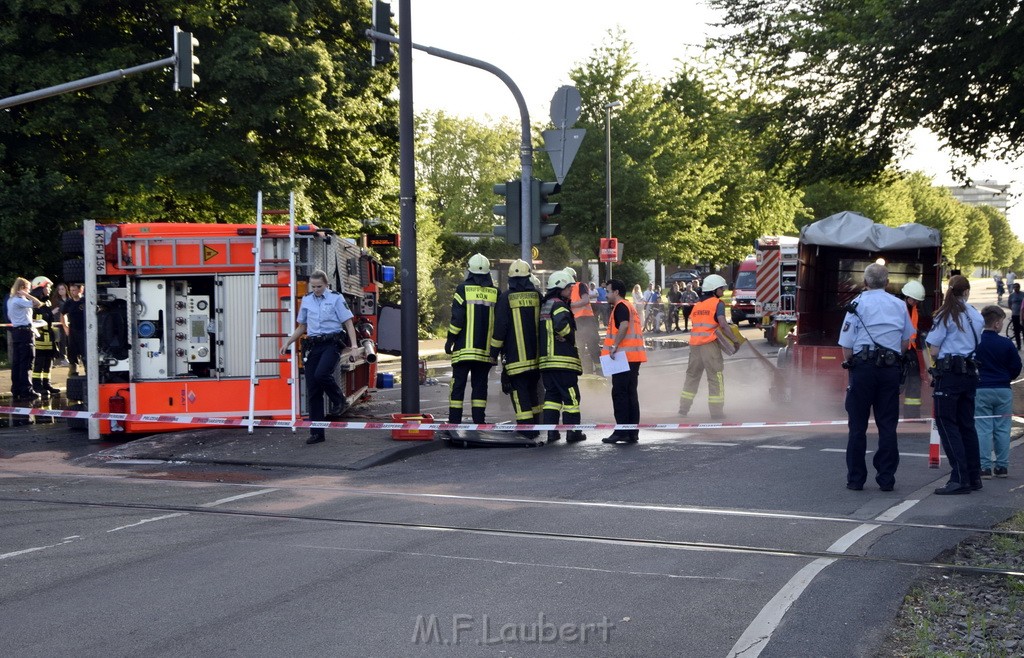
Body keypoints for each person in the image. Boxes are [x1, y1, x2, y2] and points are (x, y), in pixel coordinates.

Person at [838, 263, 913, 492]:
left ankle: (856, 479)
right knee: (887, 426)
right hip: (889, 370)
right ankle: (886, 479)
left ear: (865, 282)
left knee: (858, 427)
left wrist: (853, 368)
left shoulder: (857, 304)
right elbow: (905, 341)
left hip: (864, 370)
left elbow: (847, 344)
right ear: (887, 282)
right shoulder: (900, 305)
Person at [280, 269, 358, 445]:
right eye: (313, 286)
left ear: (326, 284)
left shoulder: (336, 298)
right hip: (314, 345)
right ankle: (317, 433)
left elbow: (348, 323)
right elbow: (302, 326)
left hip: (332, 343)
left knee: (321, 374)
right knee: (313, 390)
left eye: (319, 286)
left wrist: (353, 346)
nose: (316, 289)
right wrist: (288, 342)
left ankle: (340, 400)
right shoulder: (307, 300)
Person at [926, 274, 986, 495]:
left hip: (950, 374)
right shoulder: (975, 315)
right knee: (966, 425)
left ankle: (959, 478)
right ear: (967, 292)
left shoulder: (945, 314)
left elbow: (933, 348)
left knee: (947, 424)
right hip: (969, 373)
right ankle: (973, 477)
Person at [444, 253, 498, 426]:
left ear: (470, 271)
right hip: (484, 352)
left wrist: (450, 339)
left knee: (458, 386)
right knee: (480, 387)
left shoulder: (462, 289)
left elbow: (457, 319)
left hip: (463, 351)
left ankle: (454, 423)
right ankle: (479, 423)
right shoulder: (495, 292)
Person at [490, 259, 541, 439]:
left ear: (510, 278)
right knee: (533, 392)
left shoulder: (505, 298)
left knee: (519, 394)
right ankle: (536, 425)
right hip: (536, 358)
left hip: (515, 358)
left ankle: (526, 428)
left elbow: (500, 329)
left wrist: (493, 354)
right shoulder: (537, 295)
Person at [538, 271, 586, 444]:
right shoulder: (558, 305)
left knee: (552, 398)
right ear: (560, 288)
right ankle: (573, 433)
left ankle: (552, 433)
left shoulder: (545, 304)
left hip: (547, 361)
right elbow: (560, 325)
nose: (571, 290)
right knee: (571, 397)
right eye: (569, 287)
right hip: (562, 360)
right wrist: (569, 336)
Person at [974, 305, 1021, 479]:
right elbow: (1016, 366)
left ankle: (984, 467)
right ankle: (1002, 467)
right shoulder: (1006, 343)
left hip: (981, 389)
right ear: (996, 323)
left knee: (983, 429)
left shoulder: (976, 342)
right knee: (1002, 429)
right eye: (1002, 321)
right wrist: (1007, 377)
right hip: (1003, 389)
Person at [678, 274, 733, 419]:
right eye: (721, 288)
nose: (723, 291)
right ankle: (716, 412)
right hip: (709, 345)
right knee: (715, 377)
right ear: (715, 289)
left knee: (692, 377)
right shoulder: (717, 303)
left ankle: (683, 409)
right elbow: (722, 323)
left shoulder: (697, 305)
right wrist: (735, 340)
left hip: (695, 346)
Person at [601, 279, 646, 444]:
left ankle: (621, 431)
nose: (606, 294)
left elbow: (624, 326)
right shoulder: (628, 306)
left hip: (623, 357)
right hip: (632, 357)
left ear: (616, 292)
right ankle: (631, 432)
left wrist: (614, 346)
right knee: (630, 394)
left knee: (619, 394)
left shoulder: (620, 307)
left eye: (608, 291)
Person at [6, 277, 43, 402]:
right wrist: (27, 295)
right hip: (25, 333)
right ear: (22, 289)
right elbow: (38, 304)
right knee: (27, 361)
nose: (29, 291)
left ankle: (16, 388)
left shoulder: (11, 300)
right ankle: (26, 389)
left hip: (17, 331)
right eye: (27, 289)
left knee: (17, 362)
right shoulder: (20, 300)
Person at [29, 276, 61, 398]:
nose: (49, 289)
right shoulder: (34, 303)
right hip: (39, 338)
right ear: (40, 288)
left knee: (48, 363)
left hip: (49, 338)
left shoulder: (46, 302)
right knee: (39, 363)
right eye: (47, 287)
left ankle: (46, 384)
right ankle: (37, 385)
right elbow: (36, 321)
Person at [566, 268, 601, 375]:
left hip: (586, 320)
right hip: (576, 322)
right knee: (579, 349)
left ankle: (600, 373)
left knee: (593, 347)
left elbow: (586, 300)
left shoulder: (580, 285)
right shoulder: (566, 290)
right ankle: (586, 373)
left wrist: (570, 305)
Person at [900, 280, 927, 419]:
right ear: (907, 296)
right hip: (900, 349)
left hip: (910, 350)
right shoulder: (899, 308)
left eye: (917, 301)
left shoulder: (913, 309)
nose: (916, 303)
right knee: (897, 381)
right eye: (914, 300)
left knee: (915, 381)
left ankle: (912, 415)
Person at [61, 283, 86, 376]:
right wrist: (65, 326)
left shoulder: (85, 301)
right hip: (73, 330)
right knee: (72, 351)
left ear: (81, 290)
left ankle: (88, 369)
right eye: (71, 290)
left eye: (74, 290)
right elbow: (62, 314)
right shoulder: (69, 303)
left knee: (85, 351)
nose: (72, 292)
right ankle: (73, 370)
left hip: (84, 330)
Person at [51, 282, 71, 366]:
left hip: (70, 323)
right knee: (61, 341)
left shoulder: (70, 299)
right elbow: (53, 312)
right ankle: (62, 358)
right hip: (59, 323)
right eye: (59, 289)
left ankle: (71, 357)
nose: (61, 291)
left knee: (69, 341)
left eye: (62, 289)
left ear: (66, 290)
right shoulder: (56, 300)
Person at [1007, 282, 1024, 350]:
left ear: (1019, 287)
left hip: (1022, 315)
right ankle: (1018, 345)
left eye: (1017, 287)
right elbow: (1009, 304)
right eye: (1014, 287)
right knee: (1016, 331)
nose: (1016, 288)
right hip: (1015, 315)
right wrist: (1013, 309)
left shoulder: (1022, 294)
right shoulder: (1011, 295)